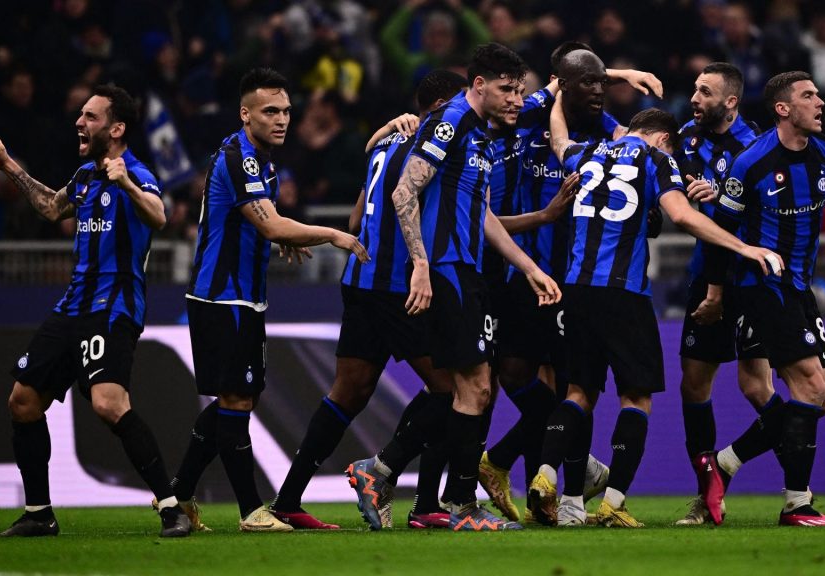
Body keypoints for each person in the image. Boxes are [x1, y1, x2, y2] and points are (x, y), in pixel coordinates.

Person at [527, 63, 783, 529]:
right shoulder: (657, 159)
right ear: (663, 140)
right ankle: (613, 503)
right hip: (624, 294)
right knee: (636, 399)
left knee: (578, 392)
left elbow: (558, 136)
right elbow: (682, 217)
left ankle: (545, 473)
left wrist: (560, 91)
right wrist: (743, 246)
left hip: (574, 290)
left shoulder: (588, 152)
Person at [346, 42, 561, 532]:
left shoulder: (480, 133)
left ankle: (389, 474)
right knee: (474, 388)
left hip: (468, 269)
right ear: (478, 85)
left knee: (467, 390)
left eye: (519, 90)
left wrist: (528, 267)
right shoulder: (452, 122)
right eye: (507, 90)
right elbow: (404, 190)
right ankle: (460, 504)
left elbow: (481, 213)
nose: (515, 99)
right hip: (446, 269)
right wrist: (421, 264)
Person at [0, 84, 192, 538]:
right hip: (73, 305)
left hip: (113, 306)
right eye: (81, 115)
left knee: (108, 404)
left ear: (116, 129)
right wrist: (9, 166)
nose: (80, 122)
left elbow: (158, 215)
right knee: (22, 401)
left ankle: (172, 508)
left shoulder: (136, 173)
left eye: (91, 117)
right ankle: (39, 513)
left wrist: (127, 183)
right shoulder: (84, 177)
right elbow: (50, 207)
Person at [268, 69, 468, 531]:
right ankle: (399, 483)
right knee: (455, 390)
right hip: (399, 286)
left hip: (360, 279)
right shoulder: (434, 143)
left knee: (348, 393)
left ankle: (287, 500)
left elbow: (357, 217)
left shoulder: (386, 143)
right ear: (443, 106)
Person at [171, 68, 369, 533]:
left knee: (239, 397)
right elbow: (270, 222)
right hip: (222, 297)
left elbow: (266, 222)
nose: (281, 119)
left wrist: (283, 236)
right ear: (246, 114)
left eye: (286, 111)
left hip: (245, 296)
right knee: (237, 399)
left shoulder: (264, 160)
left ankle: (177, 493)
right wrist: (332, 234)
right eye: (270, 111)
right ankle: (250, 511)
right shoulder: (239, 158)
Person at [479, 42, 664, 526]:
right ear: (562, 81)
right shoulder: (528, 113)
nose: (599, 90)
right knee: (520, 377)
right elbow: (543, 93)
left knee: (571, 384)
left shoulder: (599, 127)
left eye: (603, 81)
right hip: (524, 270)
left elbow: (633, 143)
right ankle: (531, 470)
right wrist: (621, 71)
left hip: (572, 276)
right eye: (590, 81)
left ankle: (562, 497)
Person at [696, 71, 825, 527]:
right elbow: (721, 232)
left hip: (800, 287)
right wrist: (716, 292)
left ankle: (723, 463)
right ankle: (797, 504)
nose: (820, 102)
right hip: (760, 286)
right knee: (809, 390)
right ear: (783, 109)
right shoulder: (751, 163)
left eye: (818, 94)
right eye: (808, 96)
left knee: (819, 401)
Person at [673, 62, 779, 526]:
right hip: (705, 275)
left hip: (748, 279)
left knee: (757, 387)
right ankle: (706, 495)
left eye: (705, 92)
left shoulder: (755, 149)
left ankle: (797, 490)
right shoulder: (686, 138)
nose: (694, 99)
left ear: (730, 102)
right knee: (693, 384)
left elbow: (767, 216)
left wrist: (722, 199)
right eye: (695, 90)